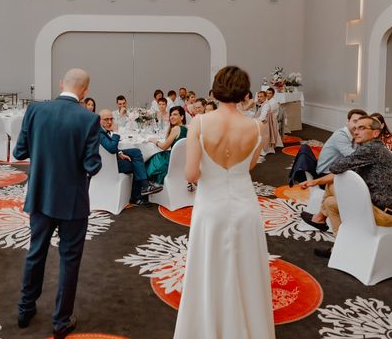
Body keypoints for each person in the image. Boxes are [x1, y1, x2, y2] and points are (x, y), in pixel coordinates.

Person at [174, 66, 274, 339]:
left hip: (211, 206)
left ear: (216, 89)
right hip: (245, 206)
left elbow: (191, 174)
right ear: (244, 93)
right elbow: (250, 166)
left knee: (209, 268)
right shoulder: (255, 126)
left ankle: (209, 328)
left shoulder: (200, 123)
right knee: (246, 270)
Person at [13, 68, 101, 338]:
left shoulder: (35, 111)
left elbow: (19, 151)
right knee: (69, 261)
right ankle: (61, 321)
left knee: (35, 252)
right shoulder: (89, 118)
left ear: (61, 83)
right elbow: (92, 165)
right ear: (84, 91)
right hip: (73, 202)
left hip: (40, 196)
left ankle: (25, 309)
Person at [301, 116, 392, 257]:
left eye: (362, 128)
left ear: (375, 133)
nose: (356, 132)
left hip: (383, 215)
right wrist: (314, 182)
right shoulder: (376, 149)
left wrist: (316, 181)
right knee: (330, 203)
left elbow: (336, 166)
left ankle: (329, 230)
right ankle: (341, 245)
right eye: (356, 128)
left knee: (333, 185)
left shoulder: (371, 149)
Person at [98, 109, 162, 206]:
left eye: (111, 119)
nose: (110, 122)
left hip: (111, 159)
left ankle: (144, 187)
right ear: (99, 120)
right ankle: (138, 194)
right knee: (136, 165)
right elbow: (111, 147)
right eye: (106, 119)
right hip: (107, 166)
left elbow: (108, 147)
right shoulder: (98, 132)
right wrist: (116, 133)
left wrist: (119, 152)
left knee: (136, 152)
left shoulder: (102, 130)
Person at [315, 108, 367, 176]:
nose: (357, 125)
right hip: (326, 173)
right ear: (347, 121)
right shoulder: (340, 135)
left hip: (340, 170)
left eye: (361, 124)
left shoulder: (355, 135)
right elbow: (353, 158)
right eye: (355, 121)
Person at [146, 106, 187, 185]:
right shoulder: (185, 128)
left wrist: (155, 141)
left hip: (172, 161)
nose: (171, 117)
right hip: (181, 161)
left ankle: (147, 186)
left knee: (149, 160)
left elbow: (164, 147)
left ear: (182, 117)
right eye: (171, 115)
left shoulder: (176, 129)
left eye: (175, 115)